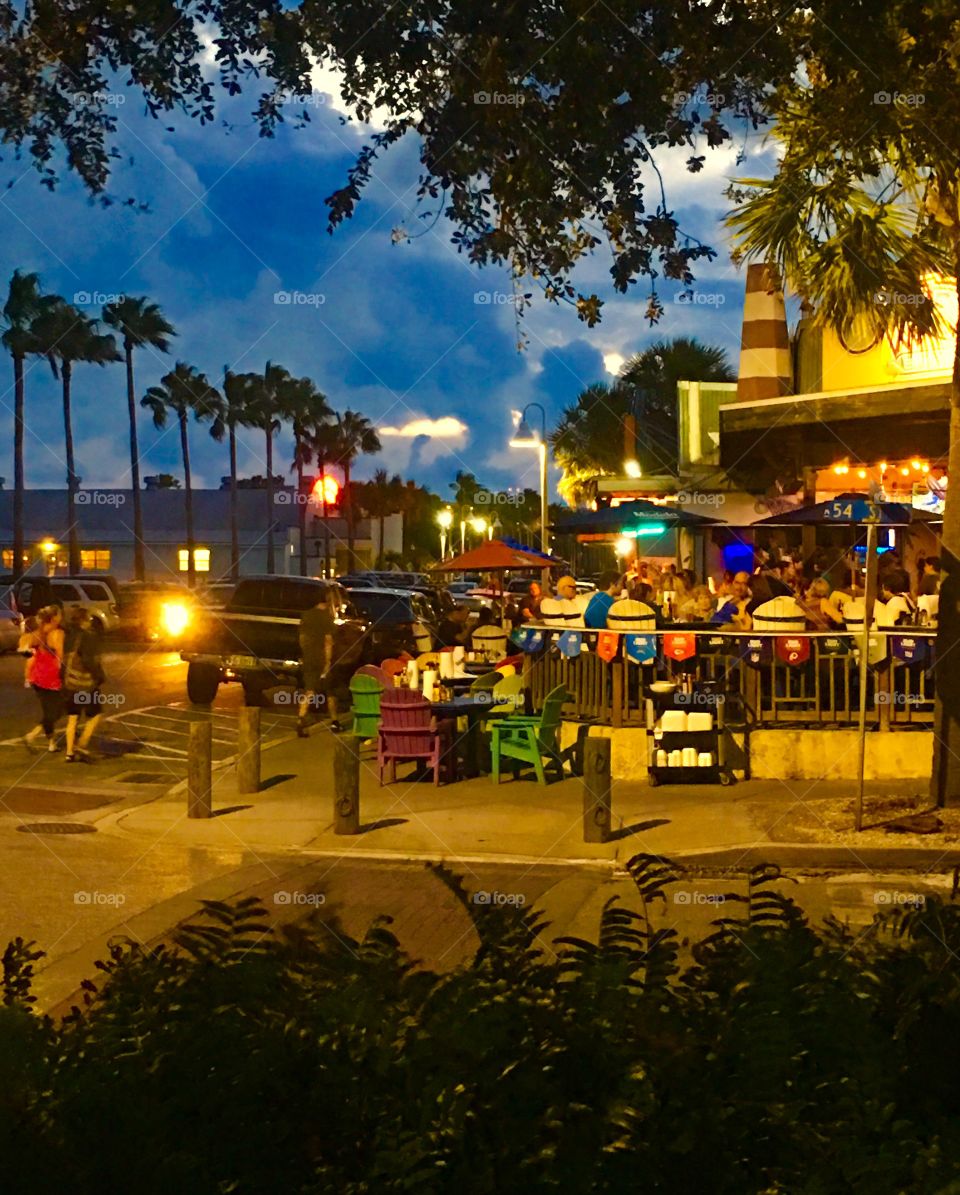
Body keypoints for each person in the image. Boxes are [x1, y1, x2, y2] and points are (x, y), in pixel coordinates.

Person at [63, 607, 106, 763]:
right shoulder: (88, 637)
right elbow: (90, 661)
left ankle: (69, 753)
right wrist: (99, 676)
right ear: (84, 621)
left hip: (70, 683)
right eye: (89, 620)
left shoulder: (68, 636)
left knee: (72, 718)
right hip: (85, 685)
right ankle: (82, 743)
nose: (90, 622)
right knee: (96, 714)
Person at [23, 605, 65, 754]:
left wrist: (28, 675)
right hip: (51, 677)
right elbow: (60, 656)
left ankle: (52, 743)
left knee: (49, 710)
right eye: (59, 614)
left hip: (38, 676)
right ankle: (32, 735)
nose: (61, 616)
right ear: (54, 618)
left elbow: (30, 655)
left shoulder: (38, 632)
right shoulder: (57, 633)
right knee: (57, 711)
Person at [297, 591, 336, 736]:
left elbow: (302, 638)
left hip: (309, 657)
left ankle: (301, 719)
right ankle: (334, 721)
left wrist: (306, 653)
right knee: (330, 692)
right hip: (321, 658)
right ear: (326, 601)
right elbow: (328, 642)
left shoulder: (306, 615)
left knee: (309, 690)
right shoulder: (327, 618)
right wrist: (328, 661)